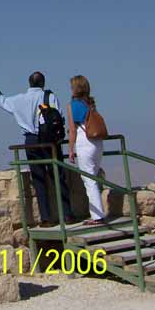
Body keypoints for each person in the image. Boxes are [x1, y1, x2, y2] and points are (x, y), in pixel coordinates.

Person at [0, 71, 74, 227]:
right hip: (50, 141)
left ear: (29, 83)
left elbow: (3, 102)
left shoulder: (19, 100)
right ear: (43, 83)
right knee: (57, 175)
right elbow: (60, 116)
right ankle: (67, 214)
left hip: (31, 142)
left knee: (39, 178)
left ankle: (46, 218)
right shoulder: (49, 97)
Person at [67, 74, 106, 225]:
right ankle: (97, 213)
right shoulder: (90, 103)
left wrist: (71, 149)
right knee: (93, 177)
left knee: (88, 179)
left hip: (85, 143)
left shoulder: (73, 105)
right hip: (97, 143)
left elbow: (72, 130)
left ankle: (97, 217)